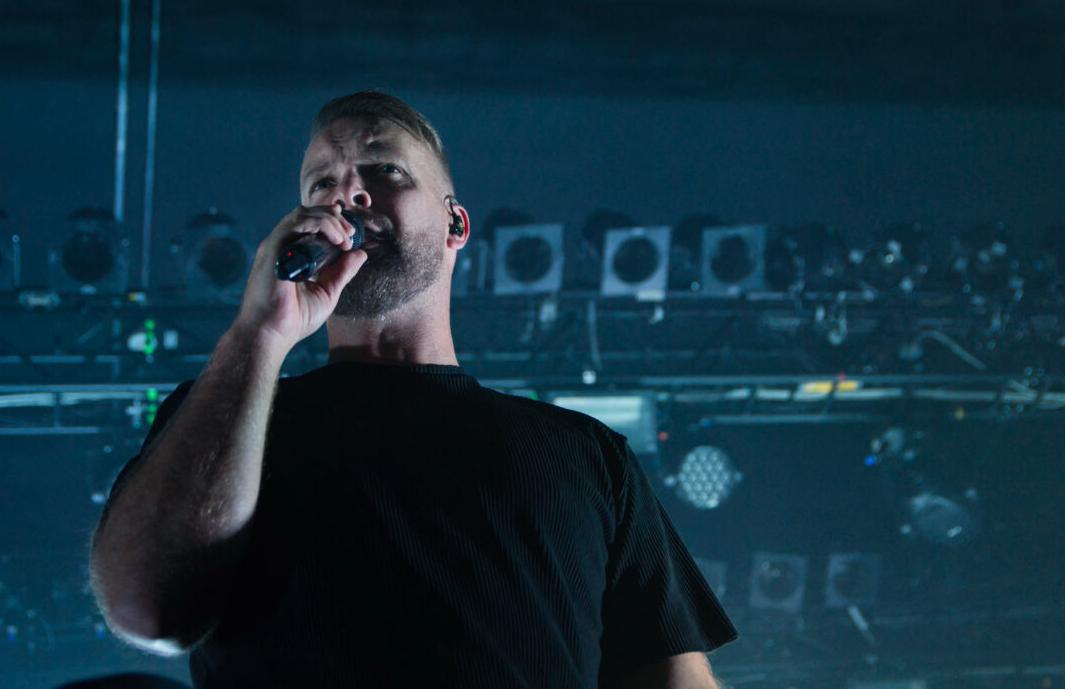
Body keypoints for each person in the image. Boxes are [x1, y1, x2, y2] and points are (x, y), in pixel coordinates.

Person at [89, 91, 737, 688]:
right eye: (322, 183)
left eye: (385, 170)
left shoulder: (589, 456)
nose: (348, 192)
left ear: (456, 225)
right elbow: (147, 610)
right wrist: (258, 335)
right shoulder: (225, 419)